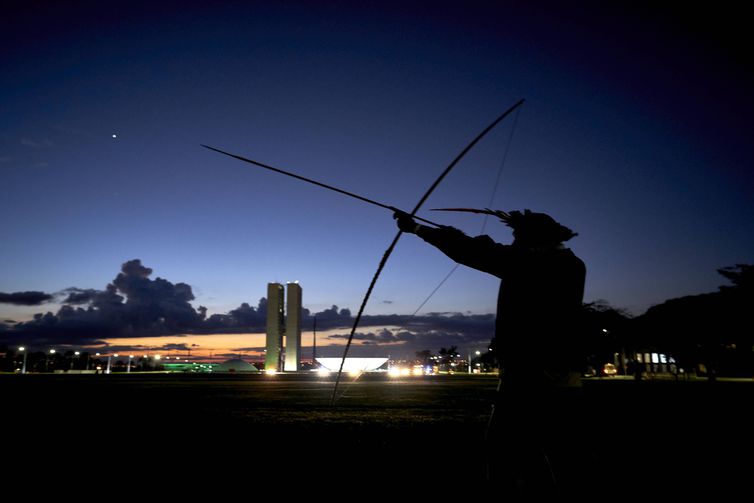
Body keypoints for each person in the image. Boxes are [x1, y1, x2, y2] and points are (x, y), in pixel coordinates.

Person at [394, 208, 589, 497]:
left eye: (517, 238)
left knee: (509, 444)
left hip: (534, 371)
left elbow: (477, 252)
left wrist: (421, 230)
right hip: (551, 370)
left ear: (532, 240)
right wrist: (439, 233)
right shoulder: (567, 263)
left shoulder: (542, 264)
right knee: (547, 444)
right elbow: (483, 250)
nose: (513, 243)